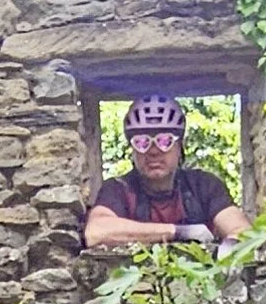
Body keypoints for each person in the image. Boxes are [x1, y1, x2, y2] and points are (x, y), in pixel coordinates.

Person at [82, 95, 255, 251]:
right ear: (132, 149)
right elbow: (96, 232)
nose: (154, 151)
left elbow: (241, 230)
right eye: (142, 142)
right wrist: (178, 232)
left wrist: (232, 246)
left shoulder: (204, 186)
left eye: (165, 141)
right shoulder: (118, 189)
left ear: (180, 146)